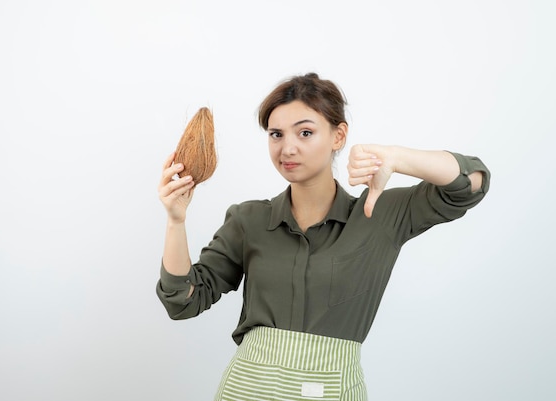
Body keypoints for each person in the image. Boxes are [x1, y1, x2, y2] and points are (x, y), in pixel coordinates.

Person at [156, 73, 490, 401]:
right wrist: (176, 219)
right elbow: (183, 301)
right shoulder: (249, 220)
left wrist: (397, 158)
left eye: (305, 132)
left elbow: (471, 183)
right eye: (276, 134)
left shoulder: (380, 214)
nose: (288, 148)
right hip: (247, 390)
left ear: (338, 136)